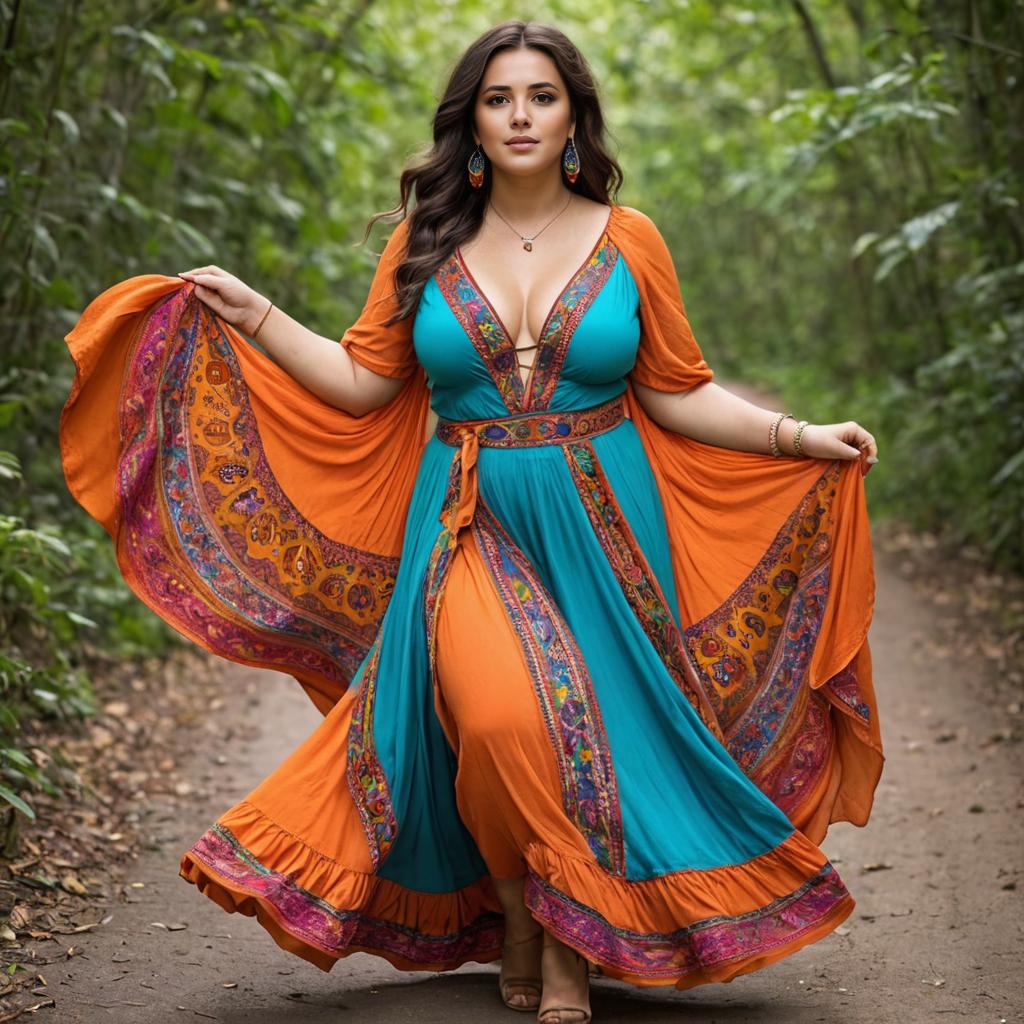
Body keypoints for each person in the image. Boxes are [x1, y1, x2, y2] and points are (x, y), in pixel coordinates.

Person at [60, 19, 884, 1024]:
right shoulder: (426, 241)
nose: (521, 115)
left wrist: (800, 436)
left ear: (574, 114)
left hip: (606, 529)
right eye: (499, 99)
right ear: (472, 121)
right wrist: (255, 313)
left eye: (541, 96)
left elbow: (677, 392)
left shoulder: (632, 239)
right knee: (502, 719)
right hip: (465, 519)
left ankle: (558, 938)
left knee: (600, 732)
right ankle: (523, 909)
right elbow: (365, 383)